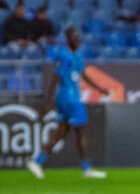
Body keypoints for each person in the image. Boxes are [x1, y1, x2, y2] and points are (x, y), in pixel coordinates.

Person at [26, 28, 110, 179]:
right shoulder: (64, 56)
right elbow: (55, 78)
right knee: (81, 132)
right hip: (71, 99)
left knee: (61, 133)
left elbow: (84, 75)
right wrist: (48, 102)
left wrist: (99, 89)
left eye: (78, 38)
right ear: (69, 40)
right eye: (75, 38)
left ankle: (37, 162)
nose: (77, 41)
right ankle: (87, 169)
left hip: (66, 98)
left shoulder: (77, 55)